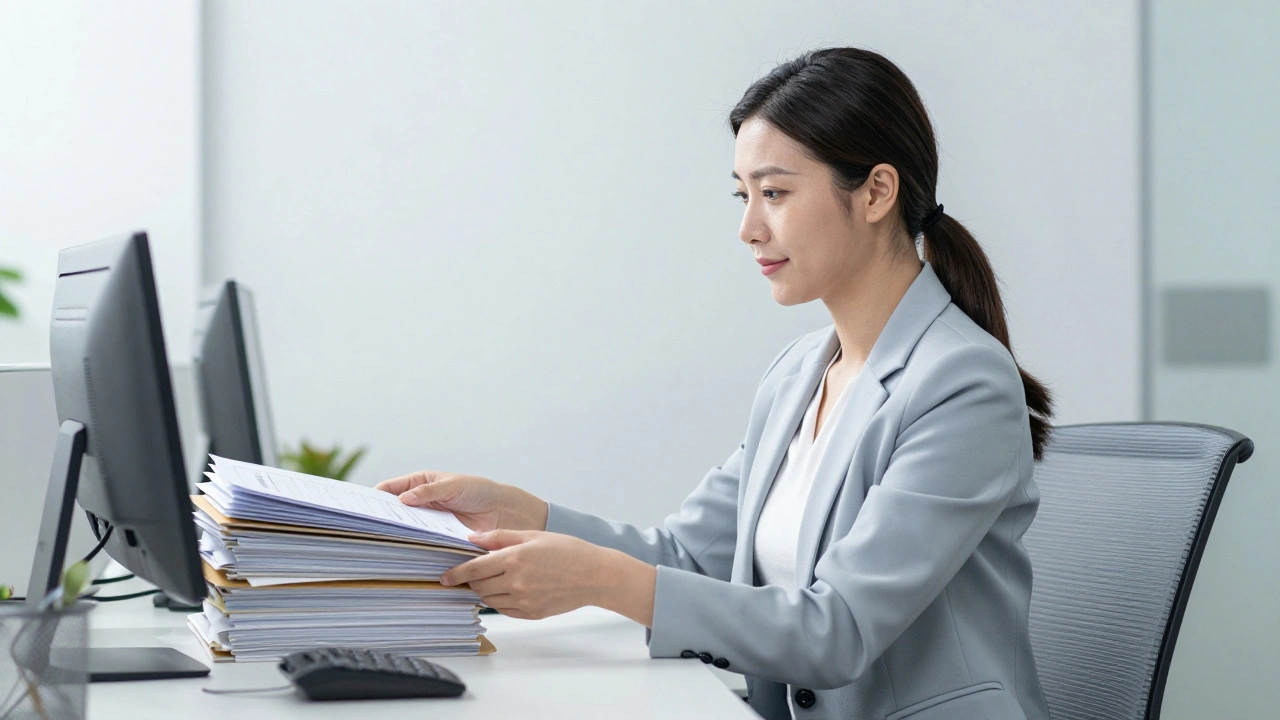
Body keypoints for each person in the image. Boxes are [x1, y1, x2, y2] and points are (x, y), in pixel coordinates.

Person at [376, 47, 1053, 720]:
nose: (748, 228)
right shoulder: (797, 375)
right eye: (743, 194)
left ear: (876, 191)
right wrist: (521, 515)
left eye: (775, 193)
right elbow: (688, 556)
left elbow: (838, 629)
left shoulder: (964, 385)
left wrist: (594, 578)